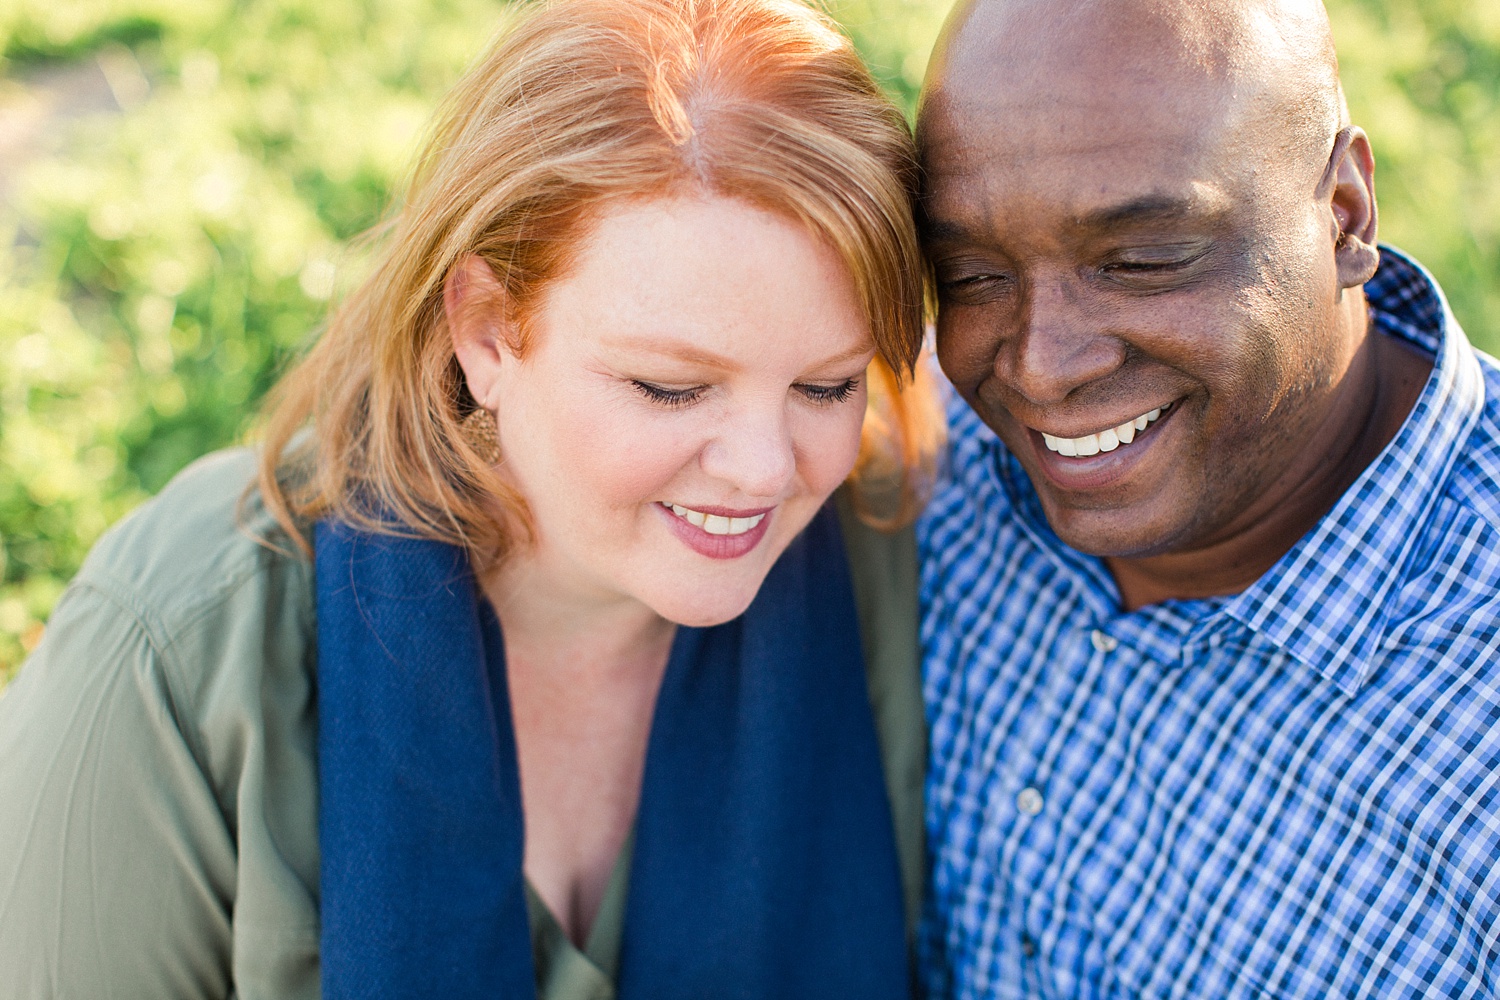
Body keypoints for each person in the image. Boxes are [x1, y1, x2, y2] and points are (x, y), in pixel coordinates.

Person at [0, 0, 943, 997]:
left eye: (826, 385)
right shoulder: (179, 650)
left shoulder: (890, 553)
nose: (764, 468)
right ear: (489, 331)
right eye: (671, 386)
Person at [915, 0, 1500, 996]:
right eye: (973, 274)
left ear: (1346, 215)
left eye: (1142, 262)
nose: (1043, 368)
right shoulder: (930, 463)